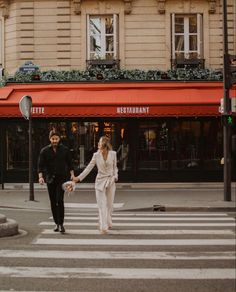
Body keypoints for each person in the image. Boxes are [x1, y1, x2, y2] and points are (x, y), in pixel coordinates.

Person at [73, 136, 118, 234]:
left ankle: (108, 220)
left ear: (104, 145)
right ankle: (103, 226)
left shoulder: (113, 154)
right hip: (100, 181)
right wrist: (78, 178)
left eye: (99, 143)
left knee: (109, 204)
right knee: (102, 204)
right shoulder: (96, 155)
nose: (98, 144)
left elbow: (115, 168)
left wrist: (115, 176)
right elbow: (88, 168)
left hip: (110, 181)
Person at [38, 130, 75, 233]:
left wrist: (72, 175)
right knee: (53, 202)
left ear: (59, 139)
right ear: (50, 139)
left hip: (62, 179)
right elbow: (40, 166)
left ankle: (61, 224)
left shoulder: (65, 150)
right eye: (53, 138)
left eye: (56, 138)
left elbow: (70, 164)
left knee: (60, 200)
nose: (54, 140)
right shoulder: (44, 151)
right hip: (50, 180)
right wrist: (41, 177)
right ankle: (56, 223)